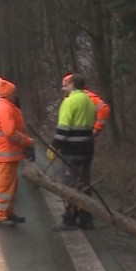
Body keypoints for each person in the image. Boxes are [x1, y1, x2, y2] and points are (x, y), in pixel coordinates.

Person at [50, 73, 96, 230]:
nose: (65, 87)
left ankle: (69, 219)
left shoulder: (69, 102)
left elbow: (63, 129)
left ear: (72, 85)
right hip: (87, 150)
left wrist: (54, 145)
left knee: (69, 186)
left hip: (71, 151)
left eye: (67, 84)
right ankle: (85, 218)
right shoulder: (89, 102)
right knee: (84, 184)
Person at [0, 77, 35, 227]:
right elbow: (10, 132)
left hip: (9, 153)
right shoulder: (5, 108)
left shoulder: (6, 106)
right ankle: (0, 216)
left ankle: (8, 213)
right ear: (8, 93)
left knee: (11, 186)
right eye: (14, 92)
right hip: (7, 153)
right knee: (5, 186)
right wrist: (27, 141)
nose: (15, 94)